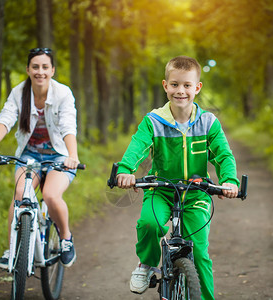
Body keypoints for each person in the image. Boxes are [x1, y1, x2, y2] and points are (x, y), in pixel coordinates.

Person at [116, 56, 239, 299]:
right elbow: (137, 146)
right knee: (150, 224)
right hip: (160, 189)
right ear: (165, 85)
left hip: (196, 193)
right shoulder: (154, 121)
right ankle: (146, 265)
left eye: (186, 85)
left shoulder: (208, 123)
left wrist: (229, 181)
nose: (180, 91)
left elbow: (224, 154)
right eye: (174, 85)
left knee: (200, 253)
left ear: (197, 88)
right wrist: (125, 170)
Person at [0, 48, 79, 269]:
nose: (40, 71)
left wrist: (72, 156)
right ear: (28, 69)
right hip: (29, 156)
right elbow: (6, 119)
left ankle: (65, 238)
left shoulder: (63, 93)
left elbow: (67, 127)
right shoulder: (19, 93)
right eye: (35, 67)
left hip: (59, 155)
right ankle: (11, 251)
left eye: (45, 67)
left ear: (52, 70)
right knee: (19, 194)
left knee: (51, 195)